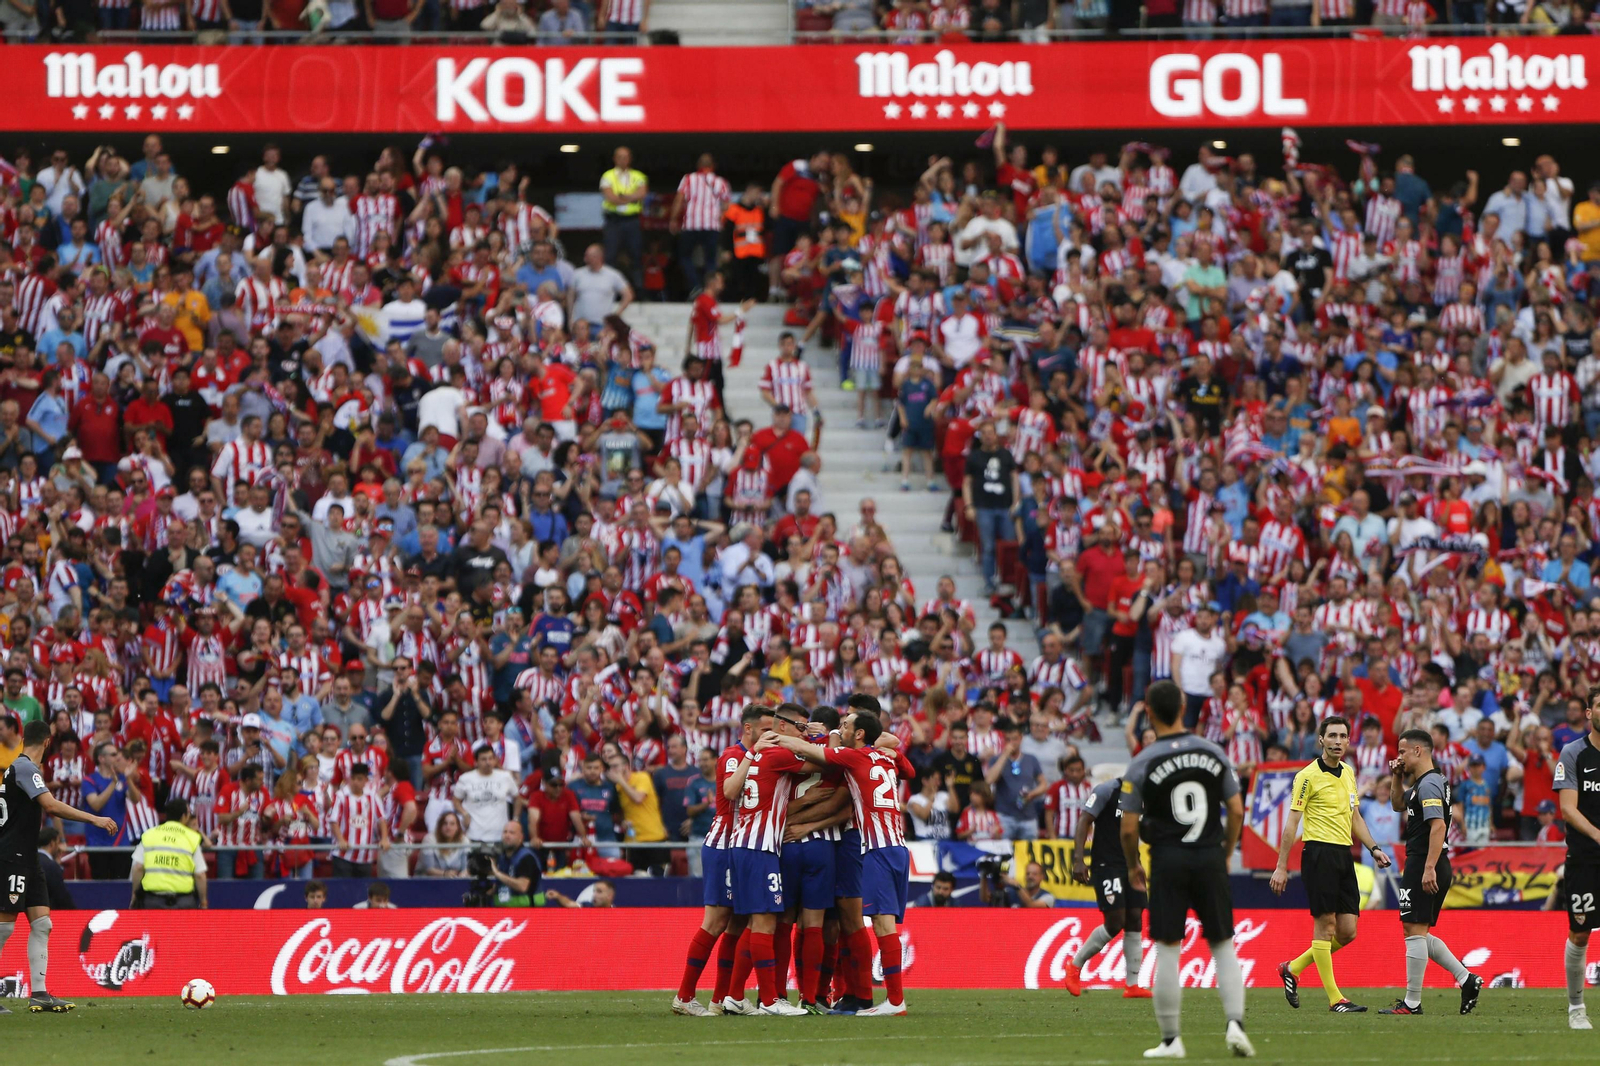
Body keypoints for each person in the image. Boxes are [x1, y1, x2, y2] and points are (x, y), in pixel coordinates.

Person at [1120, 680, 1253, 1059]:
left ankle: (1171, 1041)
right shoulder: (1213, 751)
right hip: (1209, 855)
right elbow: (1237, 810)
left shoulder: (1142, 760)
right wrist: (1225, 851)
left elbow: (1127, 828)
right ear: (1182, 707)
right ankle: (1235, 1024)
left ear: (1148, 713)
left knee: (1168, 948)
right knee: (1223, 944)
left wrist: (1132, 865)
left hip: (1168, 859)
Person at [771, 705, 914, 1017]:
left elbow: (811, 751)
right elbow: (909, 770)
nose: (841, 728)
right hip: (899, 847)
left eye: (847, 725)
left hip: (875, 847)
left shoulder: (854, 757)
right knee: (882, 924)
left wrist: (775, 737)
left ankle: (891, 1000)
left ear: (859, 733)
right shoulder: (885, 757)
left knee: (880, 924)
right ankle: (886, 999)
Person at [1270, 716, 1390, 1013]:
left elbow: (1355, 817)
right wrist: (1281, 866)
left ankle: (1293, 968)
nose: (1338, 741)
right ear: (1321, 740)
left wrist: (1374, 848)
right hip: (1319, 854)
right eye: (1332, 735)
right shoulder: (1307, 776)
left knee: (1347, 931)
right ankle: (1336, 999)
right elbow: (1292, 823)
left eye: (1343, 736)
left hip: (1343, 856)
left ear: (1349, 741)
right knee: (1325, 927)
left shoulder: (1348, 773)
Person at [0, 720, 119, 1013]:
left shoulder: (21, 769)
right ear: (47, 742)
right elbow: (51, 806)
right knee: (4, 927)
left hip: (28, 857)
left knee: (42, 924)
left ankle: (40, 994)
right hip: (12, 856)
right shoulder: (25, 768)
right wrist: (94, 818)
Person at [1378, 728, 1483, 1016]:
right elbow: (1397, 804)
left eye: (1402, 751)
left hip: (1426, 861)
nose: (1399, 757)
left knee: (1413, 930)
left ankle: (1412, 1002)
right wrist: (1396, 776)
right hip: (1427, 861)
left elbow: (1438, 826)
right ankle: (1466, 979)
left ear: (1418, 751)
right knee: (1416, 930)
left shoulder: (1429, 784)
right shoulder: (1424, 783)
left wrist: (1427, 868)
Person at [671, 703, 762, 1017]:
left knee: (737, 923)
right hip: (725, 845)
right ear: (748, 729)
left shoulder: (756, 754)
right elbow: (732, 793)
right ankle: (684, 996)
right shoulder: (734, 755)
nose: (770, 735)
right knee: (715, 921)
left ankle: (720, 999)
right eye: (765, 729)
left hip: (742, 845)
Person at [721, 701, 811, 1015]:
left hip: (747, 845)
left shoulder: (758, 754)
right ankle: (771, 1000)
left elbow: (731, 791)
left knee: (755, 923)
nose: (804, 733)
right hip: (758, 847)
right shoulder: (777, 754)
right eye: (800, 727)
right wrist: (818, 739)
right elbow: (821, 763)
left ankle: (734, 995)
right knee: (764, 923)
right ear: (782, 725)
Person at [1065, 773, 1150, 998]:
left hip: (1132, 864)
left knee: (1135, 917)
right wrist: (1078, 860)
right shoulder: (1107, 790)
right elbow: (1084, 820)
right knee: (1115, 921)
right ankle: (1074, 966)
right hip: (1107, 864)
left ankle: (1132, 985)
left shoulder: (1145, 796)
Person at [1554, 692, 1600, 1030]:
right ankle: (1576, 1008)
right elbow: (1567, 809)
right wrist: (1598, 835)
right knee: (1580, 932)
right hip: (1585, 858)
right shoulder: (1573, 753)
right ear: (1588, 712)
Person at [129, 798, 208, 910]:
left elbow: (138, 867)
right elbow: (200, 875)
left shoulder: (149, 835)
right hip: (183, 903)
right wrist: (203, 902)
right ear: (183, 816)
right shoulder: (192, 838)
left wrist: (135, 894)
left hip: (152, 902)